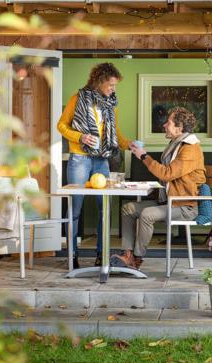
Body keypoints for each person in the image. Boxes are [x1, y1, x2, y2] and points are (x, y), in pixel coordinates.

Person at [57, 63, 132, 269]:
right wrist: (81, 136)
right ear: (99, 82)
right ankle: (72, 255)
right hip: (80, 158)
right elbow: (61, 125)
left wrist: (129, 144)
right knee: (75, 209)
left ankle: (101, 253)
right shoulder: (78, 99)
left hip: (101, 159)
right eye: (110, 85)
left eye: (115, 85)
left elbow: (115, 133)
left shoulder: (110, 104)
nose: (113, 89)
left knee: (104, 208)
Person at [111, 107, 206, 270]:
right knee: (128, 208)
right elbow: (169, 178)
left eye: (168, 122)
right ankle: (127, 254)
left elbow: (167, 174)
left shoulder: (190, 148)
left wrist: (143, 156)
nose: (164, 125)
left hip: (184, 206)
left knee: (147, 214)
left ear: (179, 127)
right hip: (169, 201)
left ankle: (137, 258)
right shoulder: (176, 144)